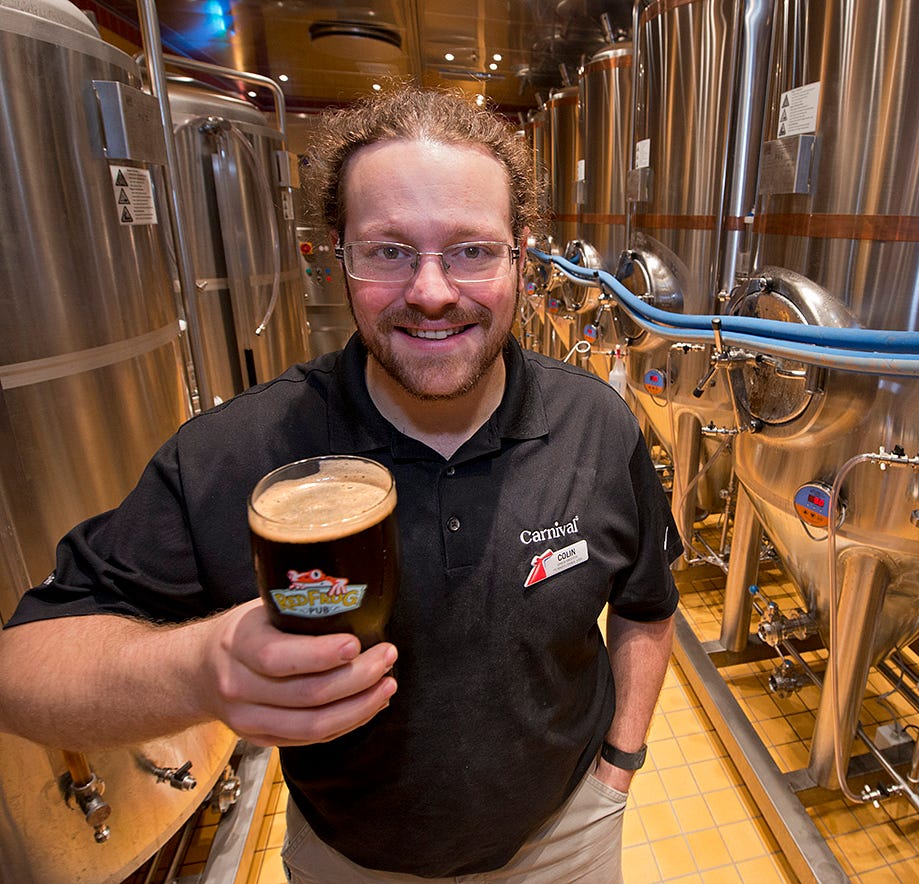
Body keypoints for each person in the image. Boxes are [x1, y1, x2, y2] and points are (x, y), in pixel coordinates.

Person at [0, 87, 680, 882]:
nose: (431, 291)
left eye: (472, 249)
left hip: (566, 842)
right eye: (389, 251)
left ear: (522, 257)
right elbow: (23, 666)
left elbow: (646, 606)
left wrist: (618, 769)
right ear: (338, 256)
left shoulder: (595, 425)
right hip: (349, 862)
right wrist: (198, 669)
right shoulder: (240, 450)